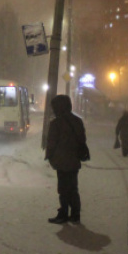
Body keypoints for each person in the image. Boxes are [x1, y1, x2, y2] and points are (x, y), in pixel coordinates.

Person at [44, 94, 86, 225]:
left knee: (63, 188)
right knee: (73, 187)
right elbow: (82, 140)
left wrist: (49, 156)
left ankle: (63, 214)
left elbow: (51, 143)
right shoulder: (78, 121)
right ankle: (75, 214)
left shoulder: (56, 123)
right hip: (74, 159)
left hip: (62, 160)